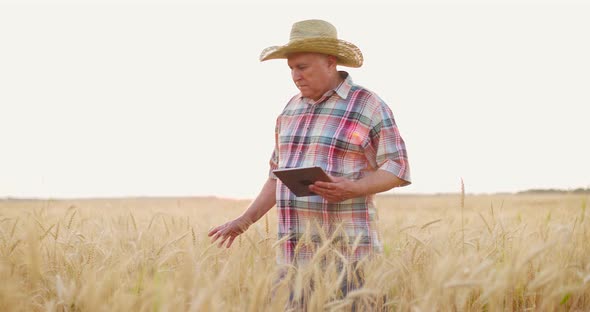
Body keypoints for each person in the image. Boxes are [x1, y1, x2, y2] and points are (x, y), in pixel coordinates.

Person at [208, 19, 411, 307]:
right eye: (291, 68)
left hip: (349, 258)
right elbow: (275, 177)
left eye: (302, 67)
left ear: (330, 62)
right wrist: (244, 221)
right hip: (294, 260)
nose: (294, 75)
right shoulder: (289, 110)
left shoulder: (367, 104)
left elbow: (397, 166)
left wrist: (354, 188)